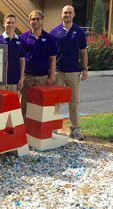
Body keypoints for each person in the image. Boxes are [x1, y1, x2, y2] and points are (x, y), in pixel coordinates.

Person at [50, 5, 88, 141]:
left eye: (69, 13)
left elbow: (83, 52)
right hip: (58, 72)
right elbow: (50, 55)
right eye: (65, 12)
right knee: (54, 102)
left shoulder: (80, 32)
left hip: (73, 72)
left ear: (74, 15)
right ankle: (53, 128)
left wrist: (84, 69)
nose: (67, 15)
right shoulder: (53, 33)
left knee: (74, 101)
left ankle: (75, 129)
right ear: (61, 14)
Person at [20, 10, 57, 121]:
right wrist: (21, 77)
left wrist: (51, 77)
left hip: (43, 77)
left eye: (38, 19)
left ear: (42, 20)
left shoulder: (49, 38)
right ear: (29, 21)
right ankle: (25, 129)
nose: (35, 21)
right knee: (25, 104)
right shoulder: (23, 38)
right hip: (27, 76)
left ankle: (37, 130)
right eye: (33, 19)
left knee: (41, 104)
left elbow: (53, 59)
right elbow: (20, 59)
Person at [0, 13, 25, 93]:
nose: (10, 25)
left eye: (13, 23)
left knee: (12, 105)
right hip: (0, 81)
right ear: (4, 23)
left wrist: (21, 79)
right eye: (8, 22)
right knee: (0, 105)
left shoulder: (20, 41)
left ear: (15, 24)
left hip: (15, 81)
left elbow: (22, 60)